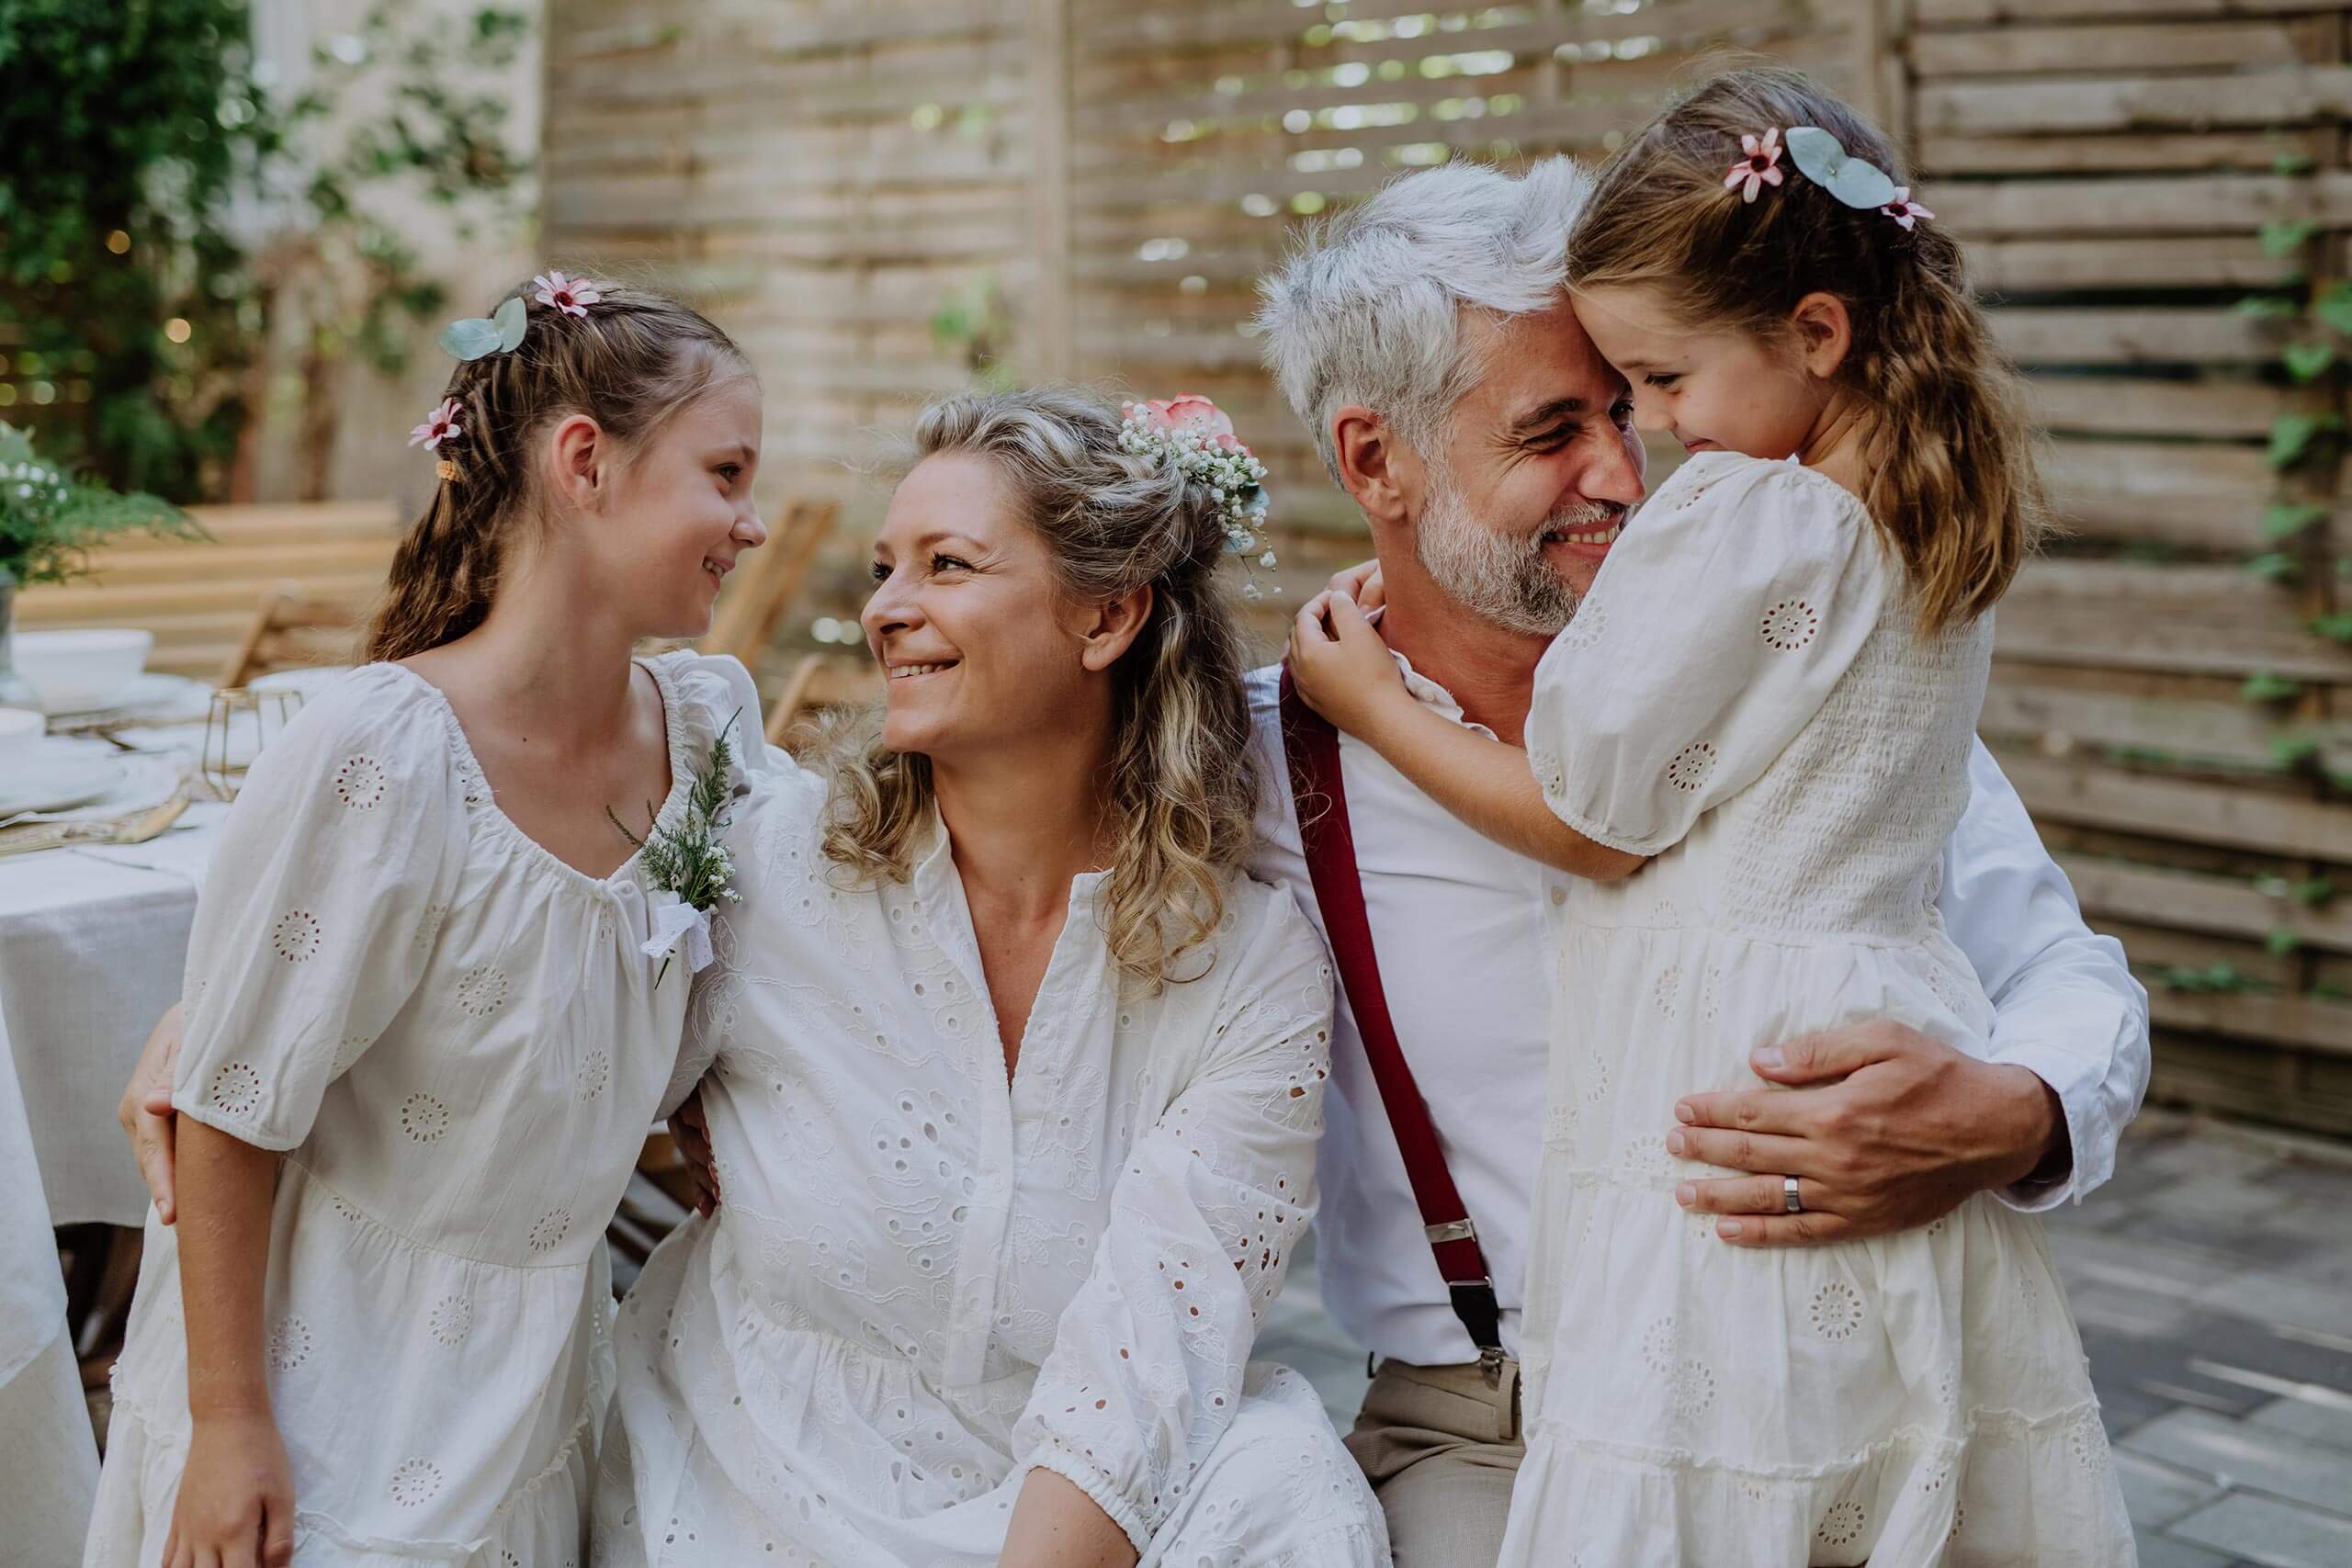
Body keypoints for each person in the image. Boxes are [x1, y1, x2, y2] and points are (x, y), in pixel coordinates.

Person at [1250, 142, 2149, 1561]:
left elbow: (2063, 965)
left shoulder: (1800, 673)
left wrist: (2016, 1108)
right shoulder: (1267, 771)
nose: (1628, 466)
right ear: (1378, 458)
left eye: (1637, 400)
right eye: (1556, 430)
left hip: (1849, 1379)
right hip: (1504, 1420)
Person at [592, 387, 1386, 1566]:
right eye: (882, 570)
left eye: (947, 566)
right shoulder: (765, 869)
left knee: (1291, 1498)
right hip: (762, 1465)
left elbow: (1153, 1351)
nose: (886, 611)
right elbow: (532, 1042)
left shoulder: (1248, 966)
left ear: (1107, 614)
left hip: (1080, 1483)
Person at [86, 276, 770, 1568]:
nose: (752, 519)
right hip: (322, 1379)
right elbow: (231, 1110)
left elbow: (806, 928)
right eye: (725, 472)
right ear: (587, 462)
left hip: (535, 1385)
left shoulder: (712, 730)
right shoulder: (382, 753)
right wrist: (232, 1425)